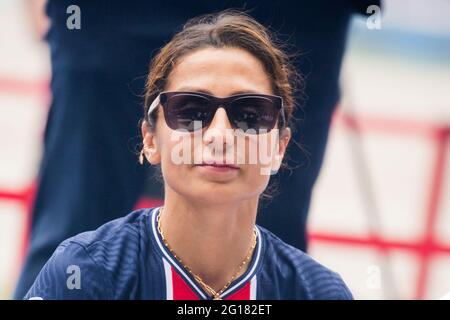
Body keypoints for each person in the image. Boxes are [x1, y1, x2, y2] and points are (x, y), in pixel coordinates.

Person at [16, 0, 377, 299]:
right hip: (112, 14)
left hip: (301, 13)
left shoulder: (318, 289)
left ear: (281, 145)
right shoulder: (79, 266)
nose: (220, 135)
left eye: (250, 115)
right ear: (149, 138)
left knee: (280, 266)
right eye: (191, 112)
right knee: (75, 242)